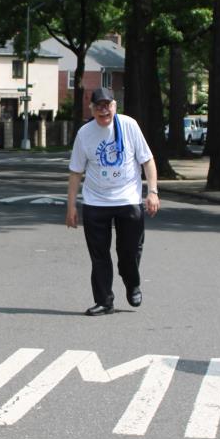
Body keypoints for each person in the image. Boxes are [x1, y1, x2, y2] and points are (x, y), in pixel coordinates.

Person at [66, 88, 160, 314]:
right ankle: (104, 301)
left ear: (114, 106)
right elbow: (76, 172)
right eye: (98, 106)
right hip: (96, 202)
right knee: (99, 255)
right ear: (91, 109)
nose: (103, 110)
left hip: (128, 199)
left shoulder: (129, 126)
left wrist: (153, 191)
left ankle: (132, 282)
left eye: (107, 105)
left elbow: (147, 160)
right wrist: (71, 206)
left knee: (129, 252)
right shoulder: (85, 133)